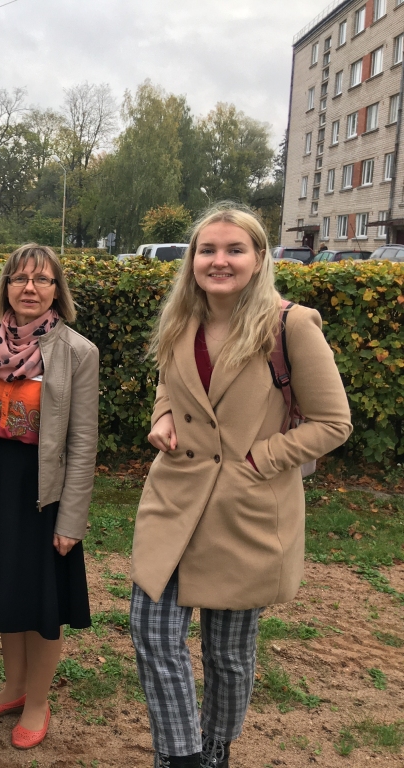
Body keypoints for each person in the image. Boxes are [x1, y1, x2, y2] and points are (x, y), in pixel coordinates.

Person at [129, 205, 352, 768]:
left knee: (227, 655)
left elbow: (333, 423)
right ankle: (180, 757)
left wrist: (260, 458)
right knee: (152, 633)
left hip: (244, 510)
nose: (219, 260)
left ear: (258, 258)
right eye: (207, 250)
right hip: (174, 500)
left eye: (234, 249)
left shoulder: (290, 326)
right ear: (192, 259)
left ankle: (215, 749)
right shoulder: (180, 318)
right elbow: (169, 383)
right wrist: (162, 415)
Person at [0, 243, 99, 750]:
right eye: (19, 279)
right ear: (6, 287)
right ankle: (13, 688)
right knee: (2, 589)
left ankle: (37, 701)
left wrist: (71, 519)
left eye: (42, 279)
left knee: (39, 601)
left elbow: (83, 441)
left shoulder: (77, 352)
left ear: (57, 289)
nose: (29, 288)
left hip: (41, 492)